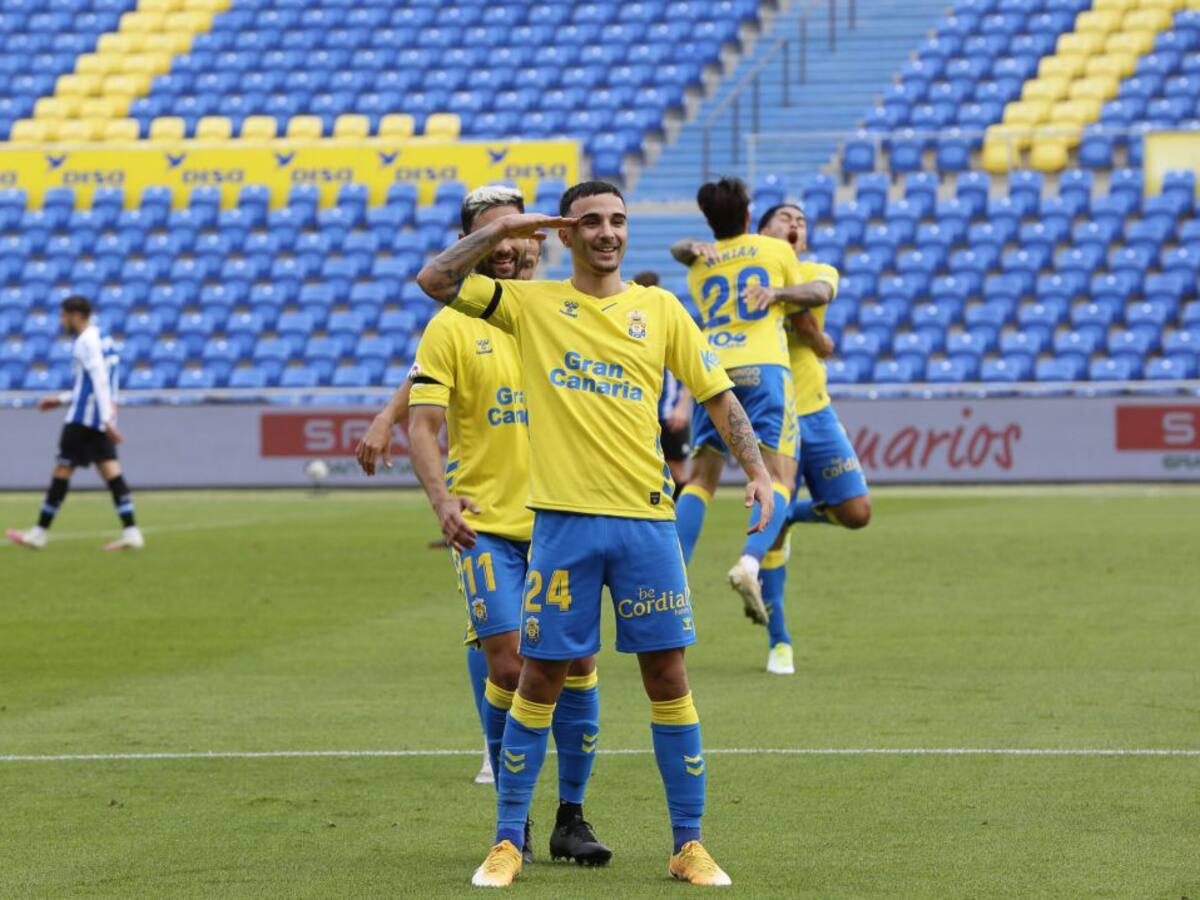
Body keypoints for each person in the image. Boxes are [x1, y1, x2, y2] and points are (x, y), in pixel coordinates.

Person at [417, 180, 775, 888]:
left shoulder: (661, 308)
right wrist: (503, 230)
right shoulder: (531, 305)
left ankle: (689, 844)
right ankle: (507, 840)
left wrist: (757, 472)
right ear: (566, 233)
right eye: (590, 222)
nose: (607, 232)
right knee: (540, 676)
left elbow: (717, 394)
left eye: (617, 220)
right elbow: (435, 278)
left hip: (646, 524)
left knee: (667, 675)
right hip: (563, 528)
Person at [356, 187, 608, 865]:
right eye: (496, 233)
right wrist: (441, 501)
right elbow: (425, 425)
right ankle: (512, 819)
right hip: (488, 526)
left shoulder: (564, 309)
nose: (512, 243)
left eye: (521, 231)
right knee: (509, 662)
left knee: (580, 664)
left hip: (567, 520)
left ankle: (571, 818)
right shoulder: (452, 323)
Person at [668, 177, 828, 627]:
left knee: (701, 479)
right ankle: (750, 561)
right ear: (748, 215)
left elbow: (680, 250)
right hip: (764, 368)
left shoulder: (700, 265)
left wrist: (691, 246)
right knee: (778, 475)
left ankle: (673, 572)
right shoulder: (775, 252)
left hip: (714, 368)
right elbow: (804, 308)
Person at [7, 295, 143, 552]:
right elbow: (94, 385)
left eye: (63, 316)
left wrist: (105, 419)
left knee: (62, 472)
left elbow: (99, 379)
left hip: (83, 420)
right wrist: (61, 399)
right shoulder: (103, 338)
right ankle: (132, 532)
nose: (62, 321)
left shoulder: (85, 341)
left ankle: (39, 533)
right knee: (111, 472)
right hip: (99, 418)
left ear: (76, 315)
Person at [632, 271, 692, 493]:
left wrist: (682, 407)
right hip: (640, 414)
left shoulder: (670, 323)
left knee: (677, 472)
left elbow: (689, 369)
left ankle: (679, 525)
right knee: (642, 473)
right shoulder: (631, 326)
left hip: (669, 415)